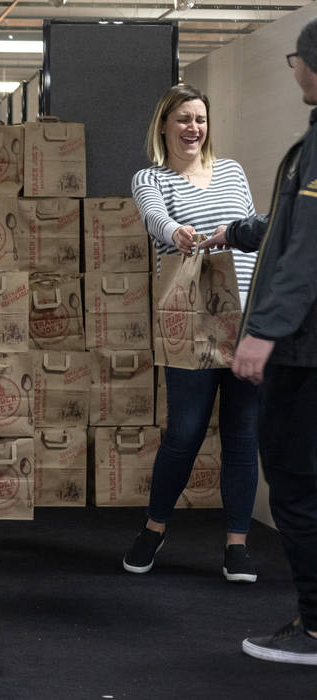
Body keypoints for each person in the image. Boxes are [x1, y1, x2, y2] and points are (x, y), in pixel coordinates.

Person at [198, 18, 317, 665]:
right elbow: (286, 224)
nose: (293, 68)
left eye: (297, 58)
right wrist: (236, 232)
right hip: (301, 344)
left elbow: (305, 250)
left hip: (303, 349)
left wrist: (262, 334)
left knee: (295, 485)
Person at [125, 84, 260, 582]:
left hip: (245, 318)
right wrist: (176, 232)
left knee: (242, 436)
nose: (193, 128)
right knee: (183, 433)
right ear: (164, 125)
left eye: (200, 119)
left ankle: (237, 546)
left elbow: (250, 229)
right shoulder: (150, 178)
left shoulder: (232, 171)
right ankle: (154, 529)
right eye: (183, 119)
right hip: (193, 321)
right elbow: (155, 220)